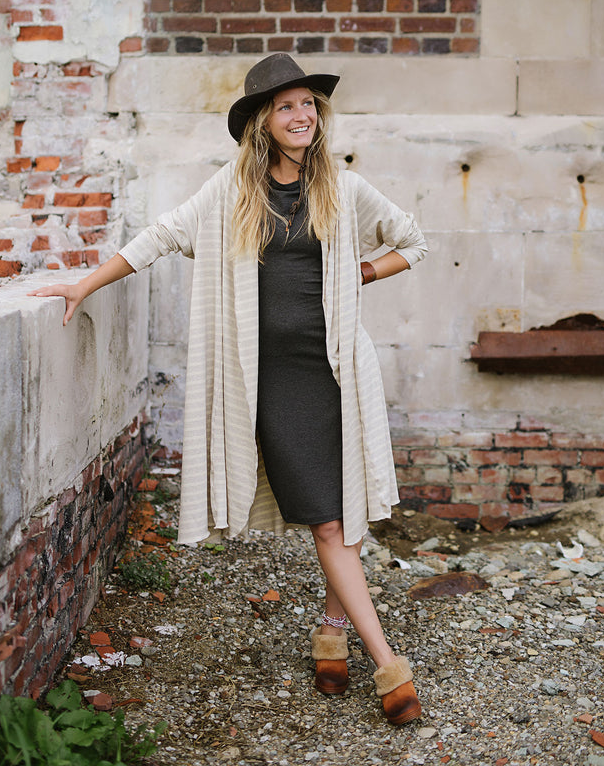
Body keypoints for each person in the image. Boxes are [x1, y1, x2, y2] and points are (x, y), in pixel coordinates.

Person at [30, 53, 428, 725]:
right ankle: (389, 665)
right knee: (327, 519)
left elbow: (412, 242)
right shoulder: (232, 193)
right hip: (270, 381)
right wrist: (85, 282)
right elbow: (160, 235)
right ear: (263, 124)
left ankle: (333, 632)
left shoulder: (343, 187)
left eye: (308, 105)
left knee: (339, 513)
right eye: (286, 107)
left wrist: (356, 273)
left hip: (334, 371)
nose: (301, 116)